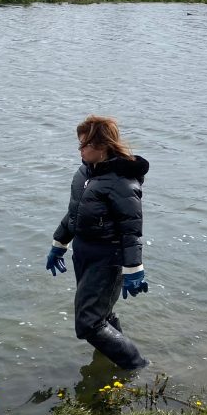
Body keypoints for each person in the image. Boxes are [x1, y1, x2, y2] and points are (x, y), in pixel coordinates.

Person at [46, 116, 150, 371]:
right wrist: (59, 244)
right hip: (83, 254)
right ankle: (109, 364)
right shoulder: (84, 174)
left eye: (84, 145)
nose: (79, 150)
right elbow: (75, 214)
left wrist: (133, 269)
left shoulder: (122, 182)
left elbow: (131, 229)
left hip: (107, 258)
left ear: (102, 146)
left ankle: (136, 366)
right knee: (100, 315)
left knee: (88, 324)